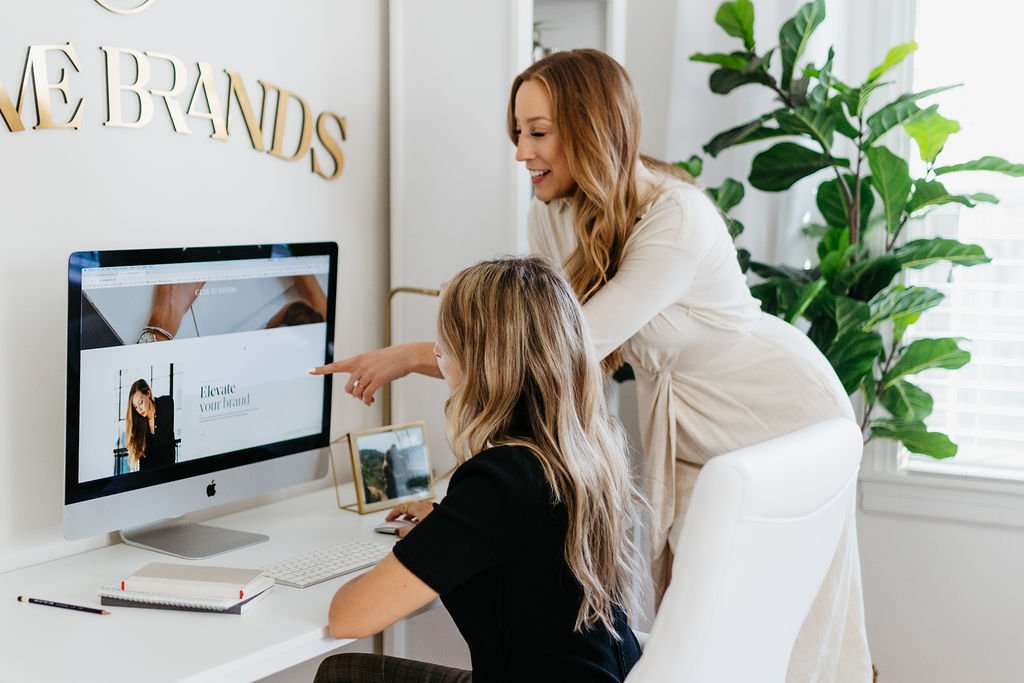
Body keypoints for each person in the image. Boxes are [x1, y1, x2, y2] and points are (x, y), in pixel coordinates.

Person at [313, 49, 871, 680]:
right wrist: (457, 517)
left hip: (766, 402)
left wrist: (412, 356)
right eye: (517, 132)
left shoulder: (677, 218)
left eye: (538, 133)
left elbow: (555, 351)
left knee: (776, 618)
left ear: (591, 129)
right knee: (688, 618)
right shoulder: (550, 219)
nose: (521, 152)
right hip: (680, 413)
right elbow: (543, 347)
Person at [315, 257, 644, 683]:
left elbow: (348, 617)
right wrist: (447, 530)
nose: (437, 354)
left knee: (342, 674)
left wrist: (432, 546)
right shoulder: (585, 449)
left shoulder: (502, 478)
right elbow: (524, 545)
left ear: (484, 363)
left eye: (446, 343)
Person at [124, 378, 175, 471]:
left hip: (169, 472)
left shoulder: (165, 403)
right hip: (150, 475)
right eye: (135, 407)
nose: (139, 410)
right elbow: (143, 462)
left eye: (140, 402)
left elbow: (167, 443)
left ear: (148, 393)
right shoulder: (139, 426)